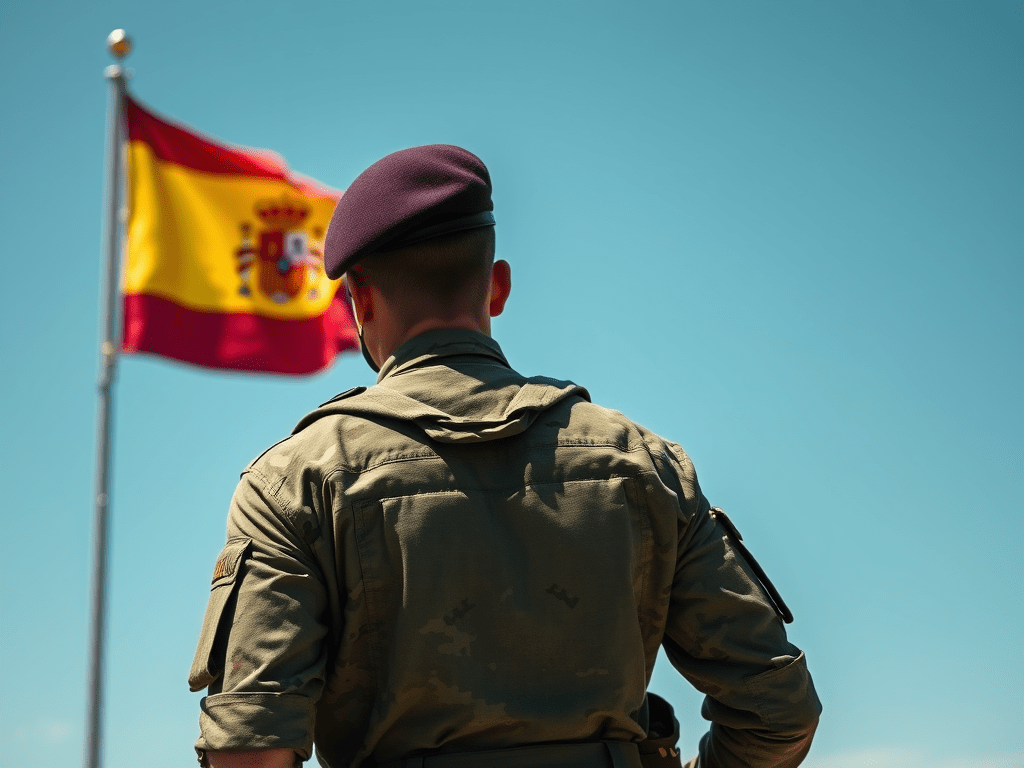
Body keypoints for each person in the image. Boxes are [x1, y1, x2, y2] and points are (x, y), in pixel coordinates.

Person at [188, 145, 821, 768]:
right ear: (497, 286)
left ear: (360, 298)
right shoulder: (642, 463)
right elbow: (778, 711)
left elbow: (252, 752)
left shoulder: (295, 483)